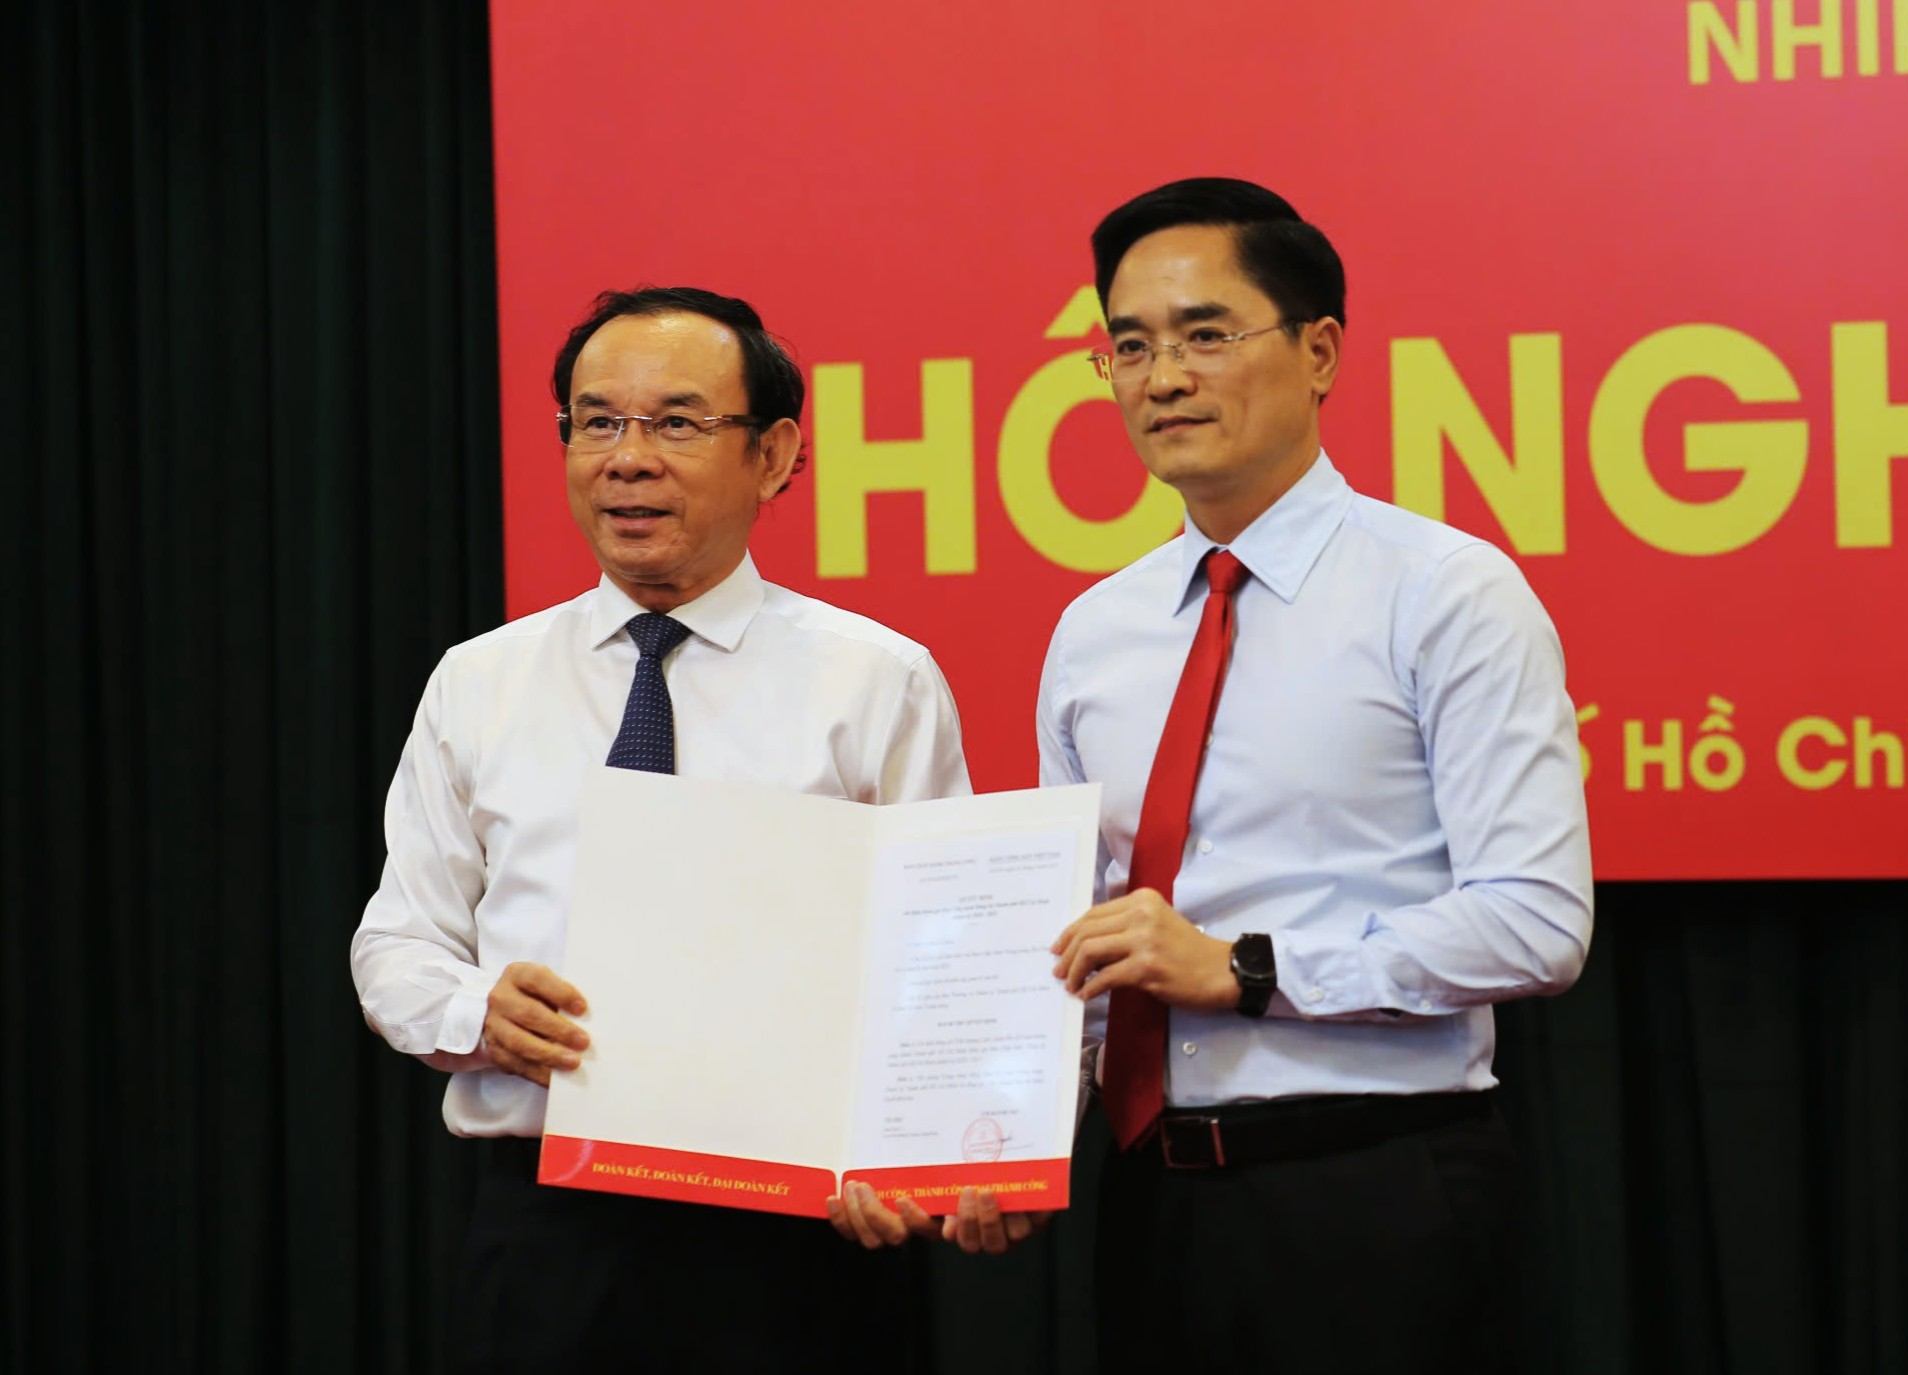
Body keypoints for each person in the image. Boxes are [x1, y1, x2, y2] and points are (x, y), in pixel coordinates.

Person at [350, 286, 969, 1371]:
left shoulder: (874, 679)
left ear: (775, 456)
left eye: (677, 423)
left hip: (798, 1238)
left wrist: (914, 1148)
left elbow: (942, 958)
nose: (627, 458)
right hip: (552, 1233)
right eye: (597, 422)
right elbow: (396, 944)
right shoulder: (481, 681)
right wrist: (480, 1010)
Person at [1050, 177, 1592, 1369]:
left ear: (1321, 351)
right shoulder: (1095, 631)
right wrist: (986, 1136)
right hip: (1149, 1204)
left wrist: (1249, 971)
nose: (1162, 376)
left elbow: (1537, 923)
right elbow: (1084, 940)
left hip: (1373, 1194)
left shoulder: (1445, 592)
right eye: (1128, 346)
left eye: (1204, 334)